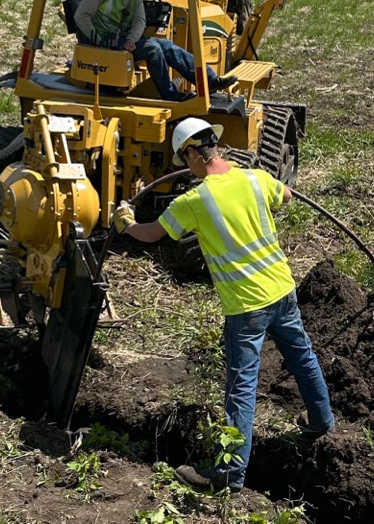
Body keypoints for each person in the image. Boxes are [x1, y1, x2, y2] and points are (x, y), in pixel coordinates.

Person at [112, 118, 335, 492]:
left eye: (184, 157)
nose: (185, 166)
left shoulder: (196, 200)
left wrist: (126, 223)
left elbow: (151, 235)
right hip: (282, 290)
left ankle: (229, 473)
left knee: (242, 385)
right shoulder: (255, 178)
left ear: (194, 154)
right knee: (302, 356)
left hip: (246, 305)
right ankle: (321, 420)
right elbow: (287, 196)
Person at [73, 0, 237, 102]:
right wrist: (100, 39)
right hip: (104, 43)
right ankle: (171, 95)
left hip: (122, 39)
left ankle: (209, 80)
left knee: (167, 45)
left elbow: (139, 19)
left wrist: (132, 39)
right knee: (153, 49)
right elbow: (81, 16)